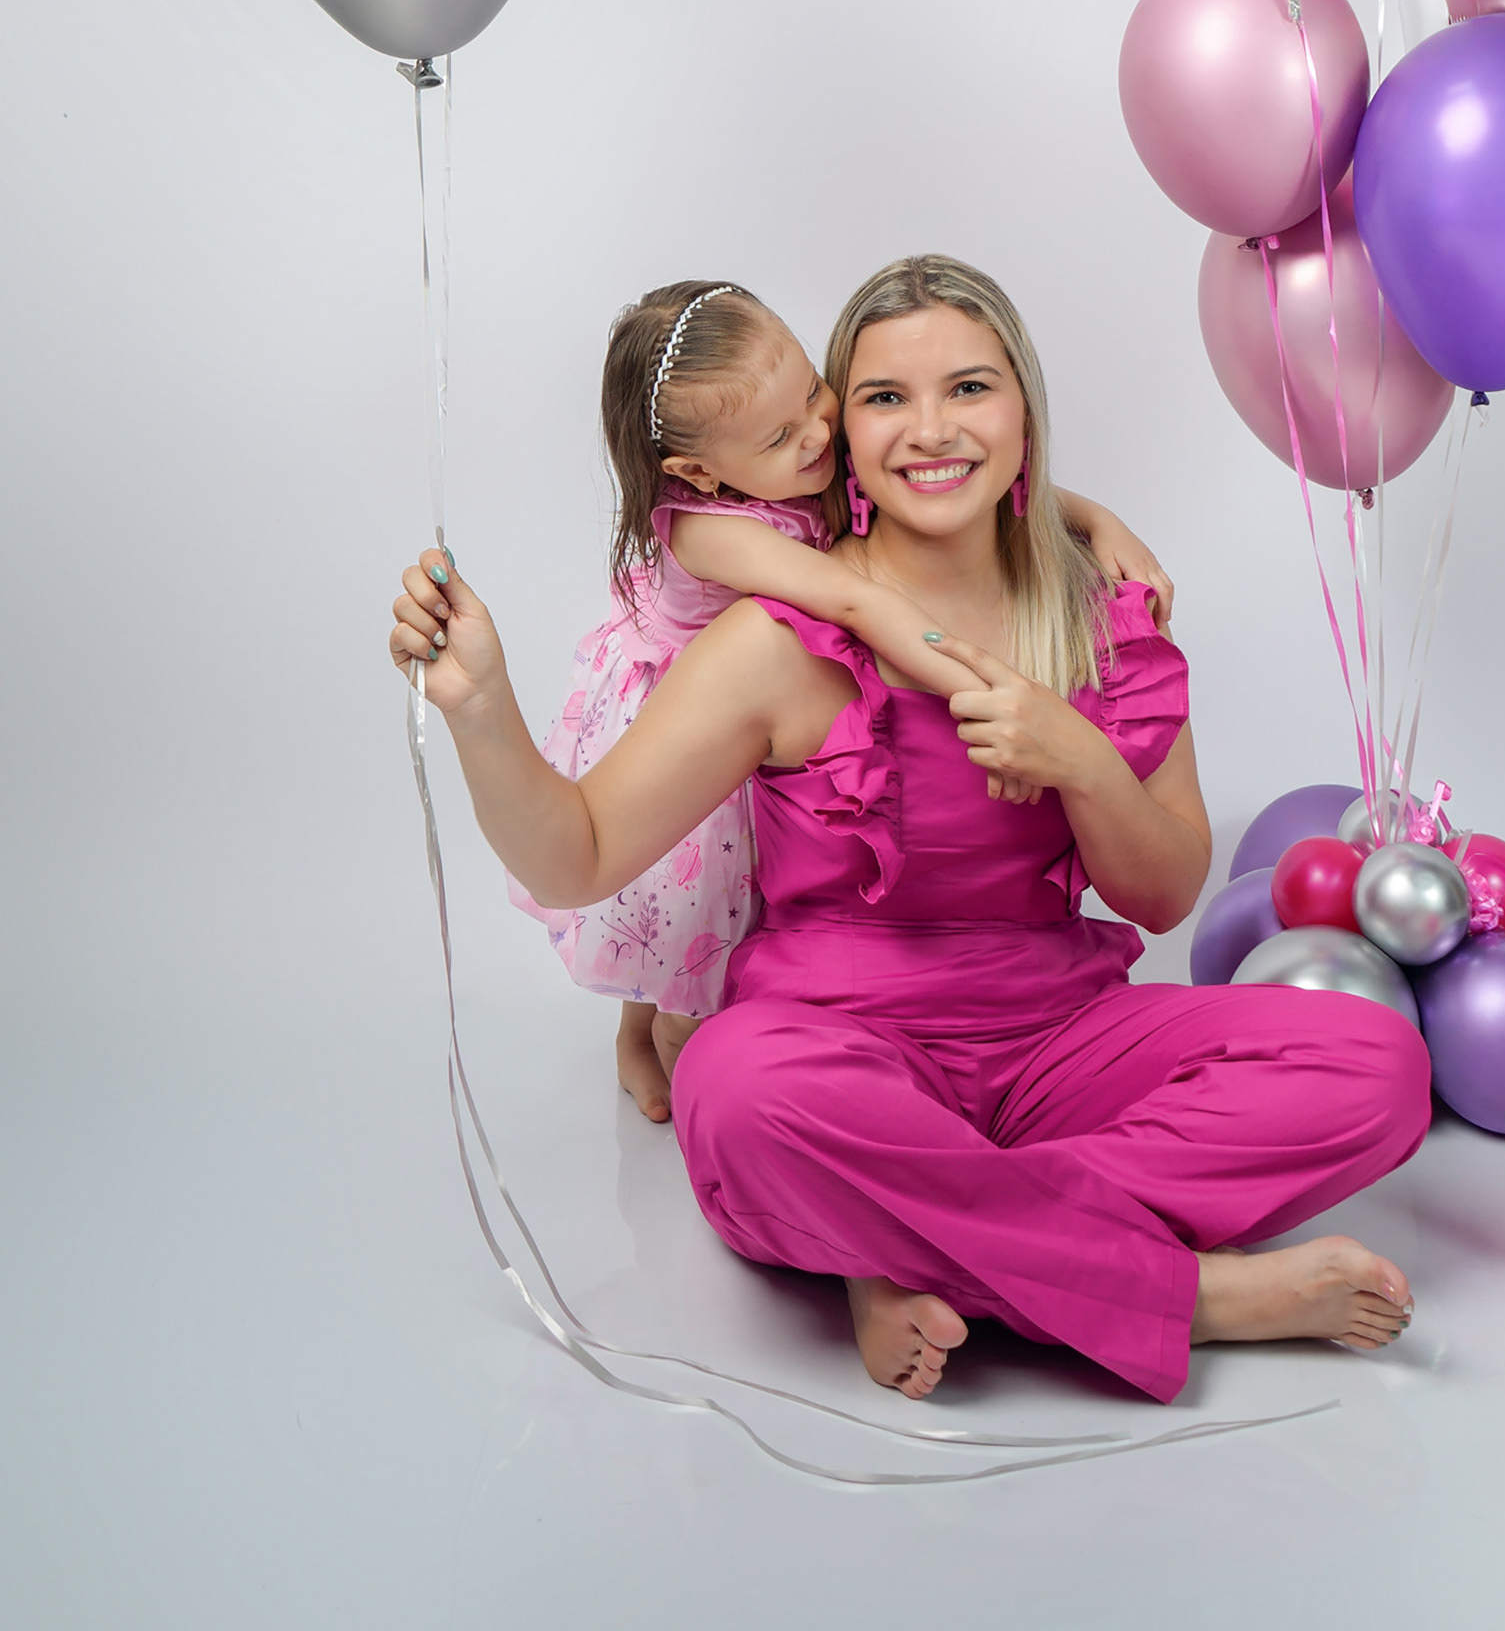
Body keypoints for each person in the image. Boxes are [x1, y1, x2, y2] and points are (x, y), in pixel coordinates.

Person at [390, 255, 1427, 1405]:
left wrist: (1080, 760)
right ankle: (1197, 1296)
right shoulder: (777, 637)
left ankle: (902, 1241)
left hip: (1061, 1038)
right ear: (845, 427)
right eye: (886, 396)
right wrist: (483, 711)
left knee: (1378, 1065)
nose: (931, 429)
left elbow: (1165, 891)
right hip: (836, 1049)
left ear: (1024, 410)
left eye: (970, 387)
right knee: (735, 1090)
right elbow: (576, 852)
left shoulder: (1106, 620)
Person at [500, 277, 1173, 1121]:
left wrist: (1100, 521)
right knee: (684, 934)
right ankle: (655, 1044)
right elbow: (855, 603)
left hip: (771, 711)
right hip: (691, 707)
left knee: (742, 906)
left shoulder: (801, 459)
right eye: (783, 434)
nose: (821, 434)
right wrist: (988, 694)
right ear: (701, 472)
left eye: (815, 393)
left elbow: (993, 475)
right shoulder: (711, 530)